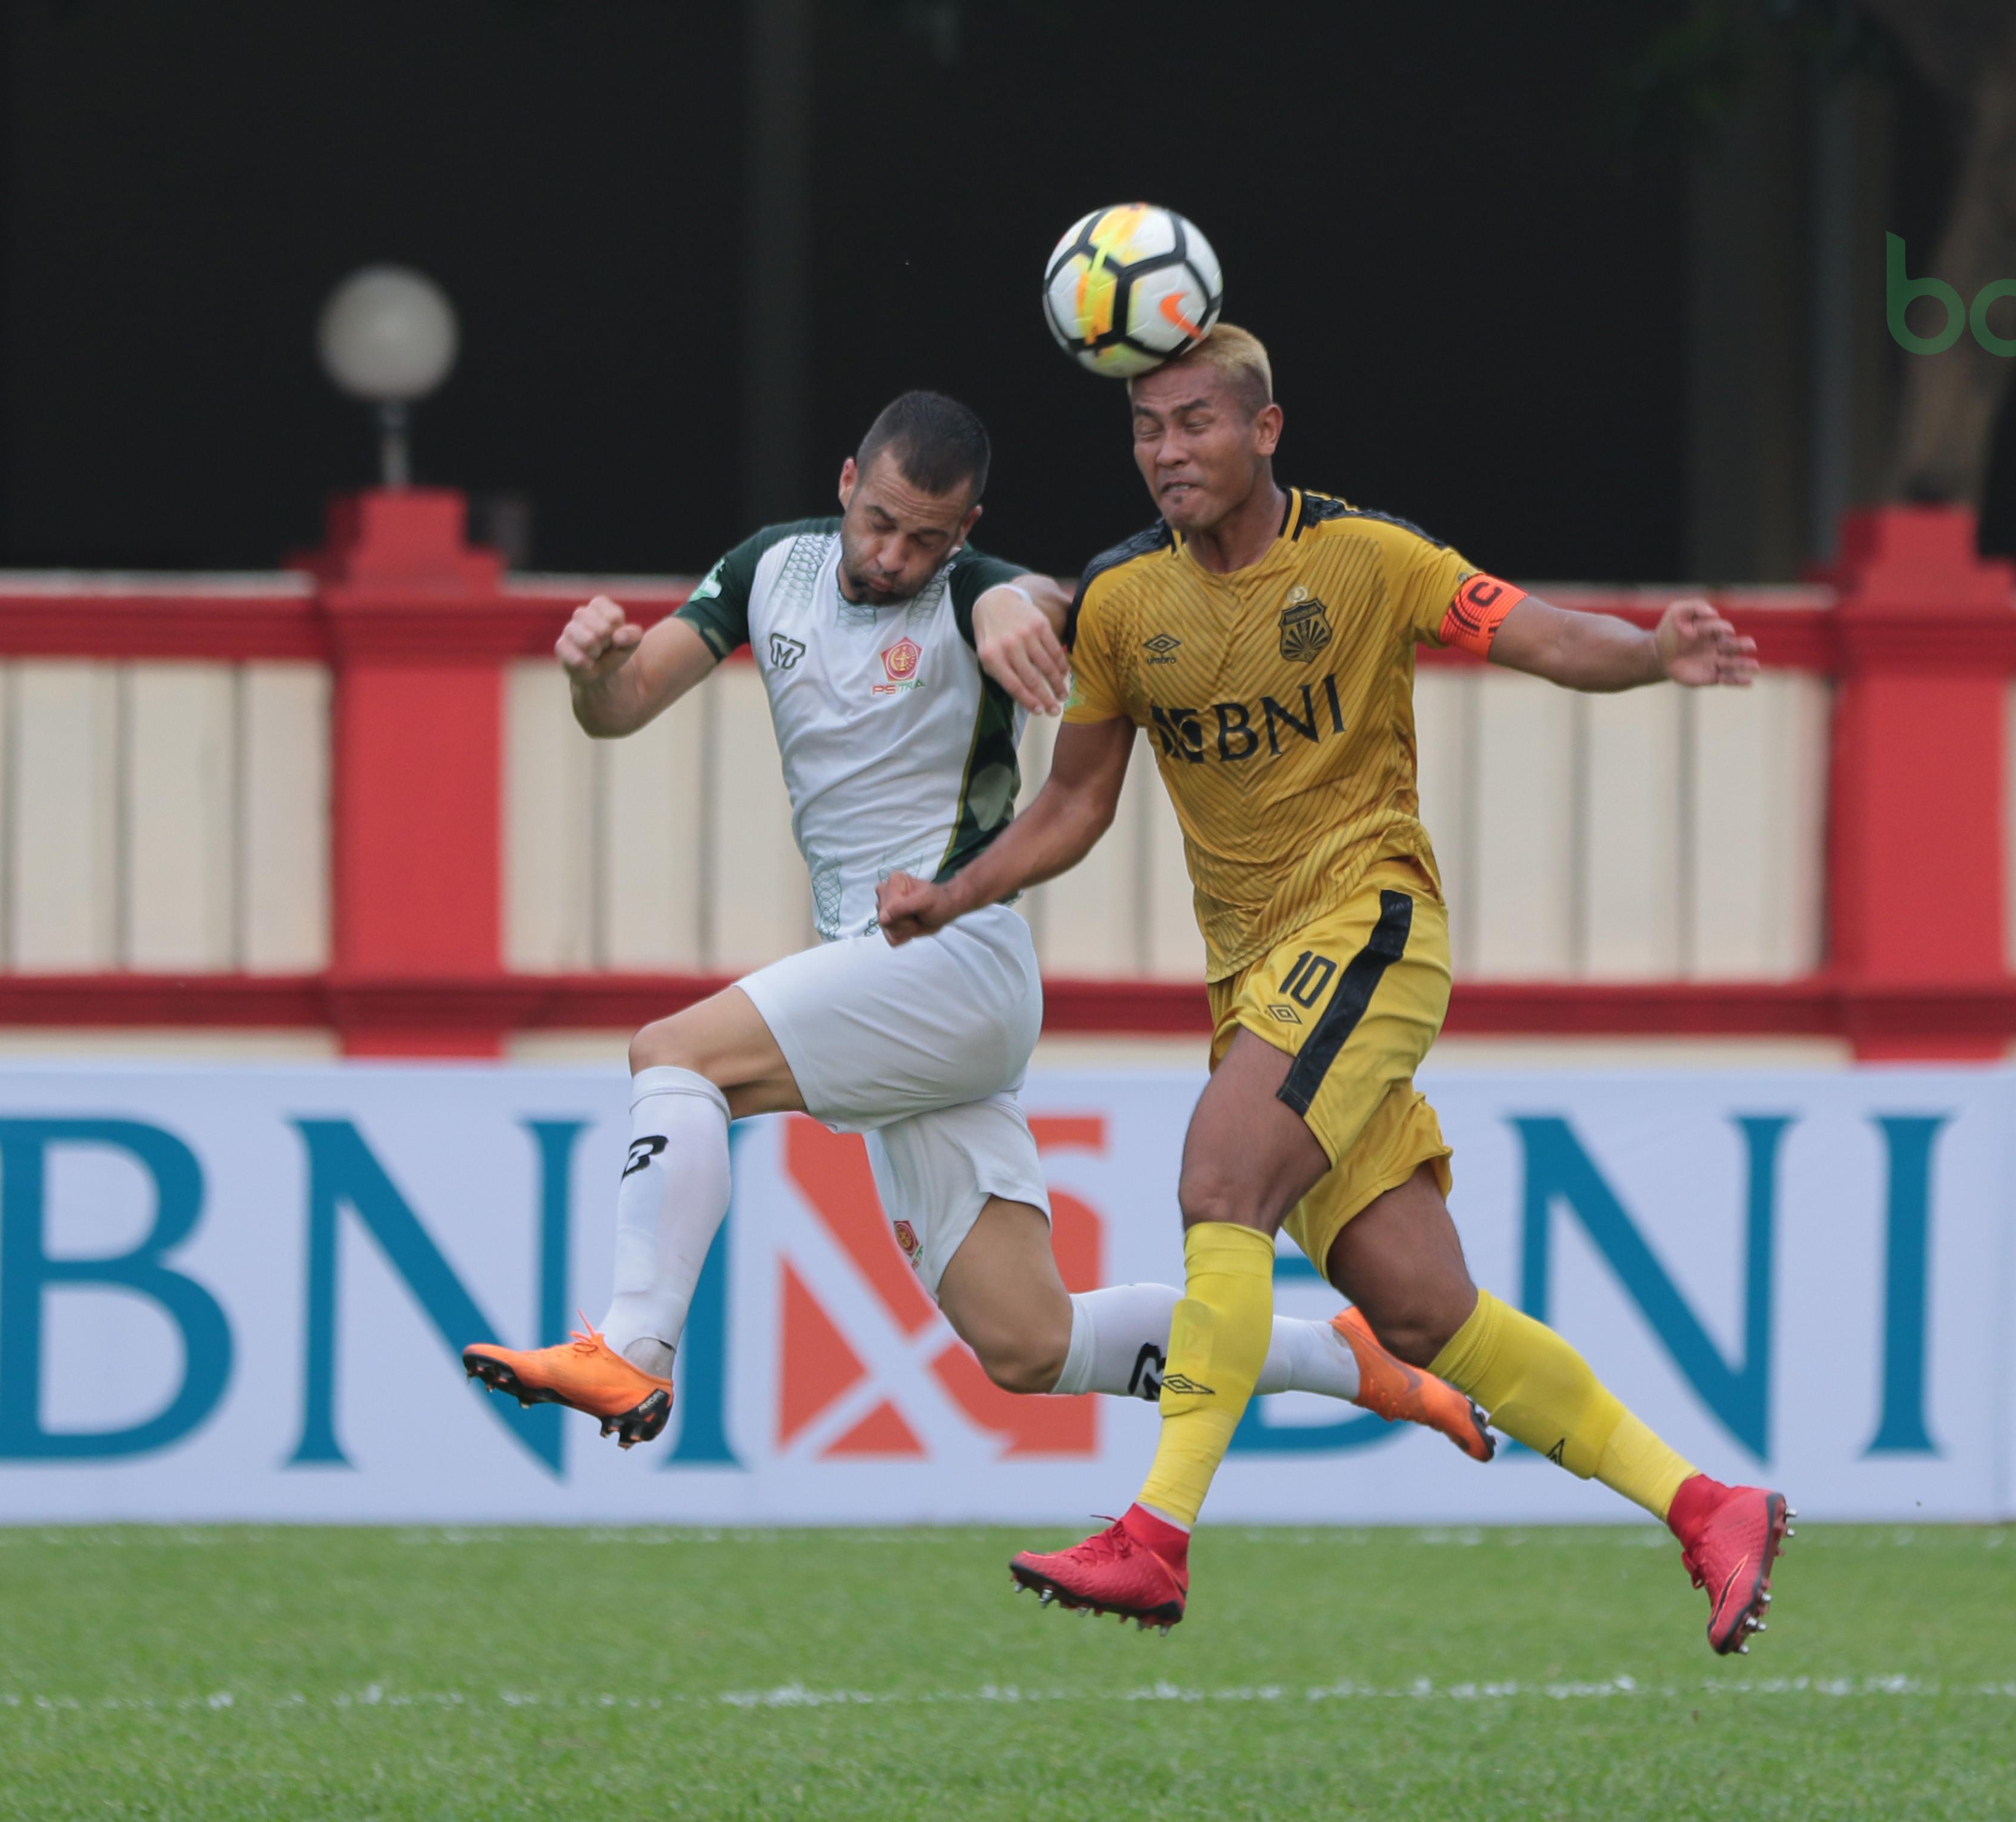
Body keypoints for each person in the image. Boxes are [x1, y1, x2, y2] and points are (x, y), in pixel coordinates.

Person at [878, 331, 1791, 1649]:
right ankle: (1706, 1504)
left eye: (1194, 422)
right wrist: (956, 891)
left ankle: (1154, 1535)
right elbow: (1074, 803)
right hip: (1257, 984)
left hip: (1370, 926)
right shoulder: (1123, 599)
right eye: (1145, 427)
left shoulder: (1367, 557)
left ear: (1266, 429)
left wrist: (1653, 652)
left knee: (1219, 1181)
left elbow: (1541, 634)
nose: (1166, 451)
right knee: (1420, 1309)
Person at [461, 389, 1491, 1466]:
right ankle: (1348, 1360)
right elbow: (622, 706)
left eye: (928, 540)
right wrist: (591, 674)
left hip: (951, 962)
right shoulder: (769, 568)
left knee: (673, 1055)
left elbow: (1035, 599)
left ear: (967, 531)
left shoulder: (974, 592)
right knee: (1028, 1342)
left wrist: (1013, 599)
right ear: (847, 483)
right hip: (885, 982)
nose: (895, 557)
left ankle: (634, 1347)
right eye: (880, 523)